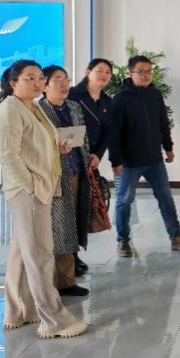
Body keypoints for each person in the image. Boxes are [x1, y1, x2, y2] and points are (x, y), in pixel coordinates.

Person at [0, 60, 86, 339]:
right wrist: (31, 186)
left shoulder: (33, 107)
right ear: (13, 83)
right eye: (29, 78)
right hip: (29, 192)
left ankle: (19, 311)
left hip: (42, 186)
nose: (37, 83)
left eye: (40, 78)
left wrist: (58, 146)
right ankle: (54, 321)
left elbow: (36, 142)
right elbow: (8, 154)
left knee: (23, 253)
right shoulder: (10, 110)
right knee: (40, 255)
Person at [109, 55, 180, 257]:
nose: (146, 75)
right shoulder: (121, 99)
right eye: (141, 71)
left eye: (149, 71)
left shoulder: (155, 95)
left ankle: (175, 236)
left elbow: (163, 123)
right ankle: (123, 241)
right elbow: (114, 132)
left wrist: (168, 147)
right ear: (131, 73)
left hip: (154, 160)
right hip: (130, 162)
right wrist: (116, 160)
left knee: (166, 197)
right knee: (124, 201)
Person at [38, 65, 91, 297]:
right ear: (45, 85)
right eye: (58, 80)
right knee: (57, 230)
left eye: (66, 79)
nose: (64, 84)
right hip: (53, 178)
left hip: (76, 173)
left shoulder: (74, 106)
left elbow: (83, 139)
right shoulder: (39, 111)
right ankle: (52, 283)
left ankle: (67, 281)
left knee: (71, 227)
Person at [67, 58, 113, 275]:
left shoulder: (107, 101)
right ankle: (69, 257)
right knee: (71, 210)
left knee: (83, 209)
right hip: (71, 160)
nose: (104, 75)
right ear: (88, 72)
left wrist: (98, 154)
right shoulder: (73, 95)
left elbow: (108, 131)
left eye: (108, 72)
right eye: (99, 70)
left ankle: (75, 255)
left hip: (90, 161)